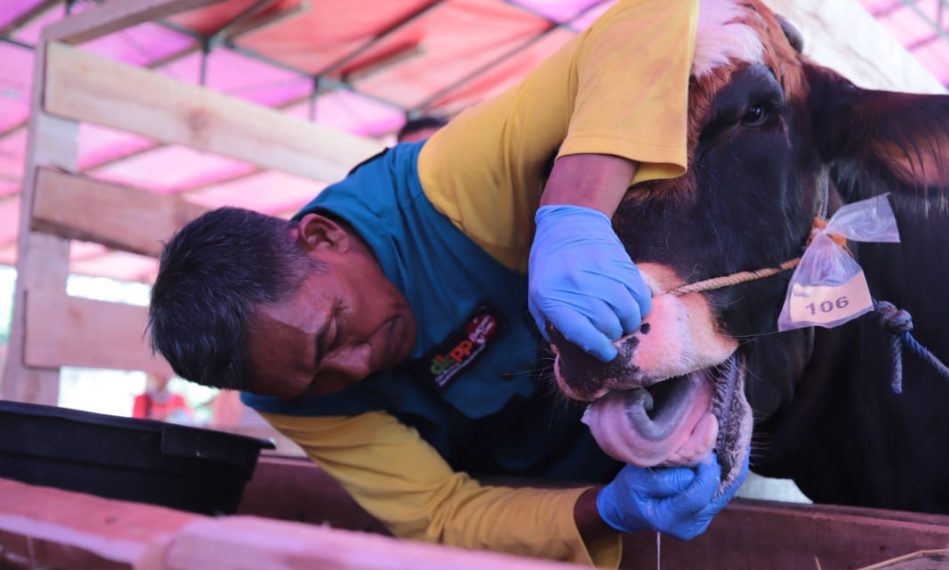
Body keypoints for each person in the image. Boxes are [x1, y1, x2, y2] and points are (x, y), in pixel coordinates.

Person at [148, 0, 747, 566]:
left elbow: (655, 15)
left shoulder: (448, 186)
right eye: (315, 380)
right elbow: (440, 515)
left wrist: (576, 211)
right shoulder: (284, 389)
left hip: (691, 421)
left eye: (332, 334)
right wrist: (613, 509)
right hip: (553, 510)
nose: (353, 369)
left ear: (321, 238)